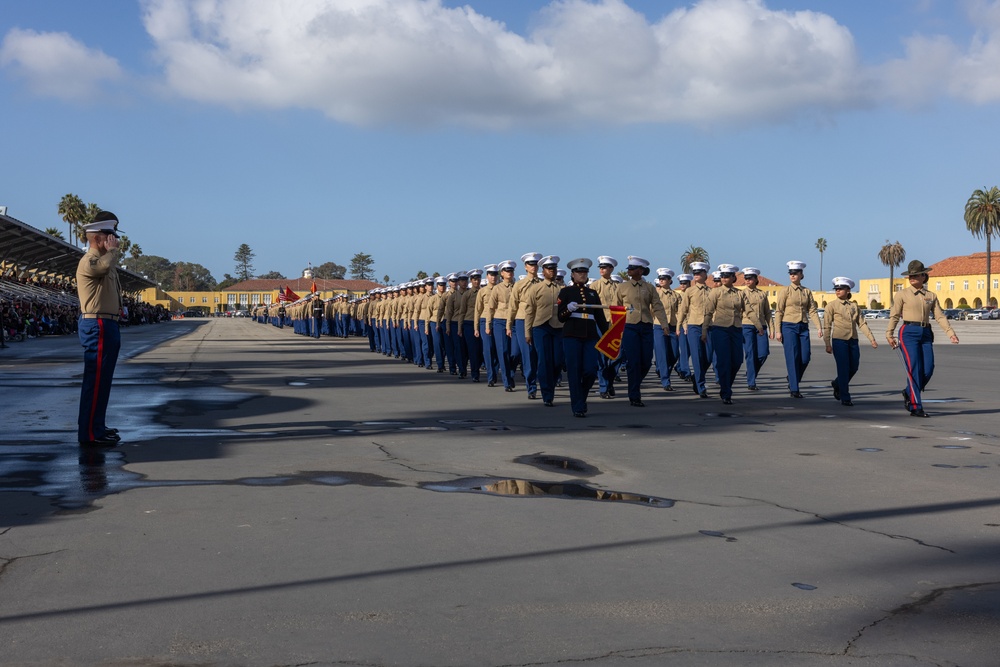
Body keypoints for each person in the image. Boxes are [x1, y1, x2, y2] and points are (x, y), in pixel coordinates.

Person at [886, 260, 959, 417]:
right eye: (910, 275)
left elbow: (939, 316)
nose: (912, 277)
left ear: (923, 276)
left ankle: (908, 392)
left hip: (925, 333)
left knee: (928, 368)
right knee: (914, 368)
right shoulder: (902, 294)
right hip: (908, 332)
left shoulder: (931, 295)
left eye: (915, 275)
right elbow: (894, 315)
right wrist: (889, 333)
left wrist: (950, 333)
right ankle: (915, 406)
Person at [76, 211, 124, 447]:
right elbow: (103, 268)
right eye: (110, 235)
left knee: (102, 382)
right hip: (98, 324)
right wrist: (113, 251)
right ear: (98, 237)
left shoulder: (105, 260)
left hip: (107, 323)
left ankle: (97, 426)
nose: (113, 240)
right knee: (95, 381)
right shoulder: (91, 261)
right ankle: (90, 434)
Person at [557, 258, 609, 417]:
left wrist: (607, 335)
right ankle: (577, 406)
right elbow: (560, 317)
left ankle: (581, 397)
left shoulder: (592, 293)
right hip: (572, 334)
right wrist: (568, 309)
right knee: (574, 371)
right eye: (579, 272)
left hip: (590, 335)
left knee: (590, 371)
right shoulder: (565, 292)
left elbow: (600, 317)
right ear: (572, 274)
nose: (583, 274)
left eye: (585, 272)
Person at [704, 264, 762, 405]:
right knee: (724, 361)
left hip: (736, 329)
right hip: (720, 329)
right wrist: (704, 330)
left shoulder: (739, 293)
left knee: (737, 361)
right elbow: (708, 312)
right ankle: (726, 392)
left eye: (727, 276)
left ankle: (726, 385)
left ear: (733, 277)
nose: (723, 278)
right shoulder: (715, 293)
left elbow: (749, 311)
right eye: (722, 276)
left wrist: (759, 326)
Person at [618, 256, 670, 407]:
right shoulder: (622, 287)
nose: (630, 271)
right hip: (629, 326)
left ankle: (634, 383)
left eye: (633, 269)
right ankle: (634, 394)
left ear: (641, 271)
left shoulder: (649, 288)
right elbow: (616, 307)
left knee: (646, 361)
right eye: (629, 268)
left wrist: (664, 324)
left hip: (646, 326)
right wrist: (615, 328)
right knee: (633, 361)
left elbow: (658, 306)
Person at [823, 277, 878, 407]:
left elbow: (862, 323)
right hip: (839, 340)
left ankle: (837, 383)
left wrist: (872, 339)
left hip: (853, 340)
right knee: (843, 368)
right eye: (836, 289)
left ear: (848, 290)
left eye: (841, 288)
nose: (838, 291)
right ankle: (845, 396)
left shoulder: (854, 306)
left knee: (854, 367)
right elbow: (827, 326)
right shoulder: (831, 306)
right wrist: (827, 343)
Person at [774, 260, 822, 398]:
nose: (793, 275)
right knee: (792, 357)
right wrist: (778, 330)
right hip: (788, 326)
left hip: (803, 326)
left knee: (805, 357)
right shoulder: (785, 291)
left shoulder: (806, 292)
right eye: (791, 273)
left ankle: (792, 378)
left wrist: (819, 327)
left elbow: (812, 310)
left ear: (801, 274)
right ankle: (794, 388)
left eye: (795, 273)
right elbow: (779, 311)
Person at [524, 256, 563, 406]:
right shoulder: (536, 288)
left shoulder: (562, 289)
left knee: (557, 361)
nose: (551, 271)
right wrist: (528, 332)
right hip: (541, 327)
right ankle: (547, 394)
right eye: (548, 269)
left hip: (558, 327)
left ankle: (551, 385)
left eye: (553, 269)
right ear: (543, 271)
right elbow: (529, 311)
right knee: (544, 361)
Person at [507, 252, 542, 399]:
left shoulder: (541, 283)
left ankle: (534, 383)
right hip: (521, 320)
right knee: (522, 353)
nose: (533, 267)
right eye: (530, 264)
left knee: (535, 354)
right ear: (525, 267)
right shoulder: (519, 285)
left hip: (538, 321)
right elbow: (512, 306)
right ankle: (530, 386)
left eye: (535, 264)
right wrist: (509, 325)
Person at [677, 262, 712, 398]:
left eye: (699, 273)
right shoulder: (690, 292)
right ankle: (700, 385)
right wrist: (680, 326)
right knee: (697, 356)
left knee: (708, 356)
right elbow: (683, 310)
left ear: (705, 275)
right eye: (694, 273)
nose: (696, 275)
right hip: (693, 326)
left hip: (709, 327)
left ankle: (696, 376)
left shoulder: (711, 291)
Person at [590, 256, 622, 399]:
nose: (602, 269)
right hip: (599, 323)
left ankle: (609, 381)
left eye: (605, 267)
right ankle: (604, 387)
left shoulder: (617, 286)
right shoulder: (595, 286)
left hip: (614, 323)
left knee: (617, 356)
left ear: (611, 269)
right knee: (602, 357)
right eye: (600, 267)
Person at [740, 267, 771, 391]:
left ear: (755, 279)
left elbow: (767, 312)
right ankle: (751, 382)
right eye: (746, 278)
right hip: (747, 325)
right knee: (750, 353)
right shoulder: (741, 293)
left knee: (763, 353)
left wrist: (772, 328)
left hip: (761, 326)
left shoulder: (762, 294)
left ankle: (751, 372)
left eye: (750, 278)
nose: (748, 280)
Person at [652, 268, 681, 392]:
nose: (661, 280)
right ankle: (665, 380)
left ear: (670, 280)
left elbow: (680, 312)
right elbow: (650, 310)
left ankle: (661, 370)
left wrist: (681, 326)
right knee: (662, 353)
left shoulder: (676, 295)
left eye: (664, 279)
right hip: (658, 326)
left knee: (674, 354)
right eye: (660, 279)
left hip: (672, 326)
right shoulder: (655, 294)